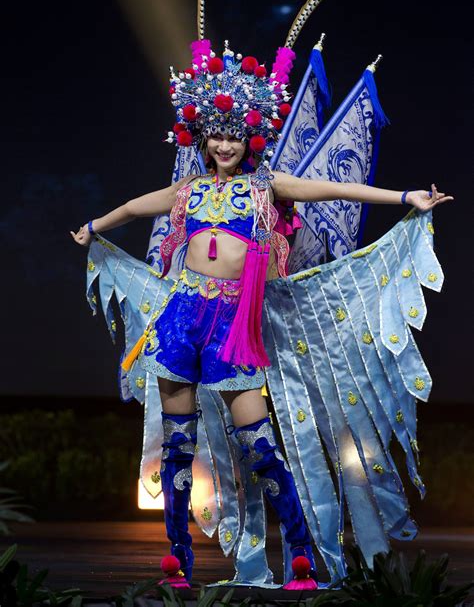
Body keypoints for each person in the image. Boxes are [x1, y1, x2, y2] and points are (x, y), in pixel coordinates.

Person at [71, 38, 453, 589]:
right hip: (181, 319)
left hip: (233, 327)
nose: (224, 144)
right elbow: (134, 206)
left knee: (261, 447)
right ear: (203, 138)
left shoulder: (265, 186)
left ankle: (299, 555)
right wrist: (95, 227)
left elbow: (329, 188)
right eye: (216, 134)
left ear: (248, 137)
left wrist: (403, 196)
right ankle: (178, 559)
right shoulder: (190, 190)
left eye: (233, 134)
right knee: (180, 445)